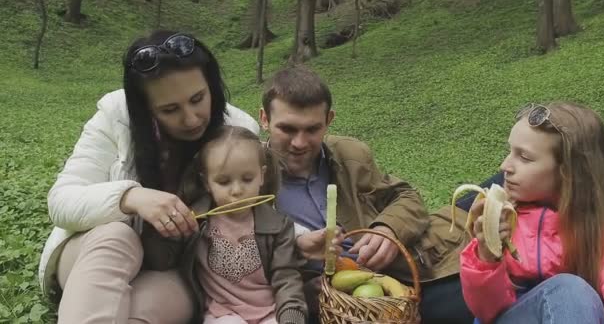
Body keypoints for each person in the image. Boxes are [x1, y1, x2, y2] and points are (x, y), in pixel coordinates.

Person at [38, 30, 259, 323]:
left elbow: (257, 217)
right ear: (145, 108)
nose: (191, 119)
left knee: (137, 313)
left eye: (197, 98)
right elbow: (61, 201)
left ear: (212, 87)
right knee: (117, 236)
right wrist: (131, 198)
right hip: (93, 256)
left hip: (172, 271)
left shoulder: (240, 132)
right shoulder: (114, 115)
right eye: (170, 109)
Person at [258, 66, 473, 324]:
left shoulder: (350, 154)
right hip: (331, 305)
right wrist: (302, 288)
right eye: (288, 129)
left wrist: (388, 229)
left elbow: (407, 197)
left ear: (329, 120)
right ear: (264, 120)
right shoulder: (248, 175)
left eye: (312, 129)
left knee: (482, 302)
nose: (300, 143)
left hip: (396, 279)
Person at [143, 125, 320, 324]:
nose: (236, 191)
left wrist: (291, 316)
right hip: (222, 314)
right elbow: (161, 260)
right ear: (207, 182)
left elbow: (287, 278)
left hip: (271, 311)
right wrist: (171, 229)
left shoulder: (279, 226)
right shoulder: (196, 220)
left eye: (247, 179)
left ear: (262, 175)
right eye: (224, 182)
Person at [460, 102, 604, 324]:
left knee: (571, 291)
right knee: (569, 290)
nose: (505, 166)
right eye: (510, 152)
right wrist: (487, 255)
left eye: (524, 157)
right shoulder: (505, 219)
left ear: (568, 172)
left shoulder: (598, 229)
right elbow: (487, 311)